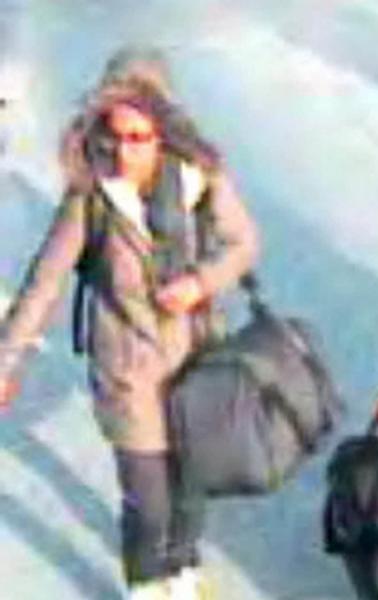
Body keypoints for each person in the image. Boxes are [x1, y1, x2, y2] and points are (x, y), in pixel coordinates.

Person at [0, 48, 259, 600]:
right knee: (150, 498)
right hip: (126, 369)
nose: (124, 150)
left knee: (191, 485)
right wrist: (8, 356)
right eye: (114, 135)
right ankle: (146, 585)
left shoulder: (199, 180)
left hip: (195, 361)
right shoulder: (90, 197)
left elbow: (242, 243)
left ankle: (184, 569)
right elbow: (44, 282)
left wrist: (201, 283)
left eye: (139, 136)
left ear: (163, 131)